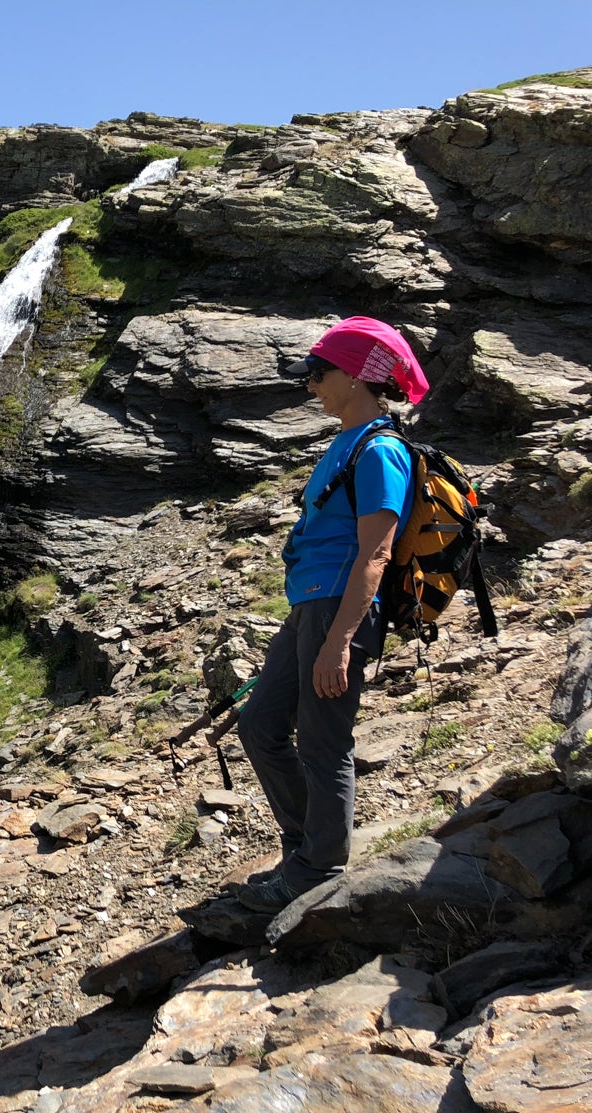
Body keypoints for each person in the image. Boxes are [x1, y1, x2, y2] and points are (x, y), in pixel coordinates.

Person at [232, 316, 422, 913]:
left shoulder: (381, 450)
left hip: (339, 611)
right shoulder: (345, 441)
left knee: (322, 740)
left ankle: (320, 867)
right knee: (260, 724)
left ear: (359, 378)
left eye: (319, 373)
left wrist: (339, 640)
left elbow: (377, 552)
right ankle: (304, 852)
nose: (311, 384)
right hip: (309, 605)